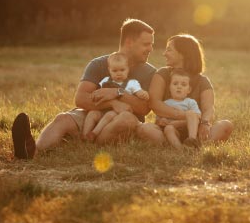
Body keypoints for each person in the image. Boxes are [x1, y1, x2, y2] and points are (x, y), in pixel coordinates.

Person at [12, 18, 156, 159]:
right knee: (63, 118)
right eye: (146, 44)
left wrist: (117, 93)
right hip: (92, 117)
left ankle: (90, 142)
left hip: (121, 121)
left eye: (151, 44)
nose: (150, 49)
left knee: (127, 120)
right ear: (129, 42)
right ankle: (31, 152)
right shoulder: (98, 64)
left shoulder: (149, 72)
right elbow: (81, 99)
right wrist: (112, 103)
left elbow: (144, 108)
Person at [137, 34, 233, 147]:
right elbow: (154, 103)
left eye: (169, 50)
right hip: (167, 128)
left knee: (226, 125)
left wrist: (205, 123)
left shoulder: (202, 81)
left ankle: (196, 144)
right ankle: (175, 145)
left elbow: (208, 108)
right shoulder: (162, 74)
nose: (164, 54)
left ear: (182, 54)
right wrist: (185, 116)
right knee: (144, 128)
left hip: (195, 129)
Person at [83, 52, 149, 142]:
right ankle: (85, 135)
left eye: (122, 70)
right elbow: (97, 92)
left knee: (110, 115)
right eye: (114, 71)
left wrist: (143, 94)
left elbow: (139, 92)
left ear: (128, 69)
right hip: (104, 109)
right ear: (109, 70)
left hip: (118, 114)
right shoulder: (105, 81)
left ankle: (94, 133)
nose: (118, 73)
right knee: (92, 113)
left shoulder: (132, 83)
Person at [156, 68, 201, 149]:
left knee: (191, 113)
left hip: (188, 130)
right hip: (174, 131)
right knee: (168, 129)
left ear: (189, 89)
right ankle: (180, 148)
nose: (179, 87)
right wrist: (162, 121)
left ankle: (192, 141)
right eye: (175, 84)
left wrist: (179, 122)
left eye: (183, 85)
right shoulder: (166, 103)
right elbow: (158, 120)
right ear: (169, 87)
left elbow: (197, 117)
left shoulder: (190, 102)